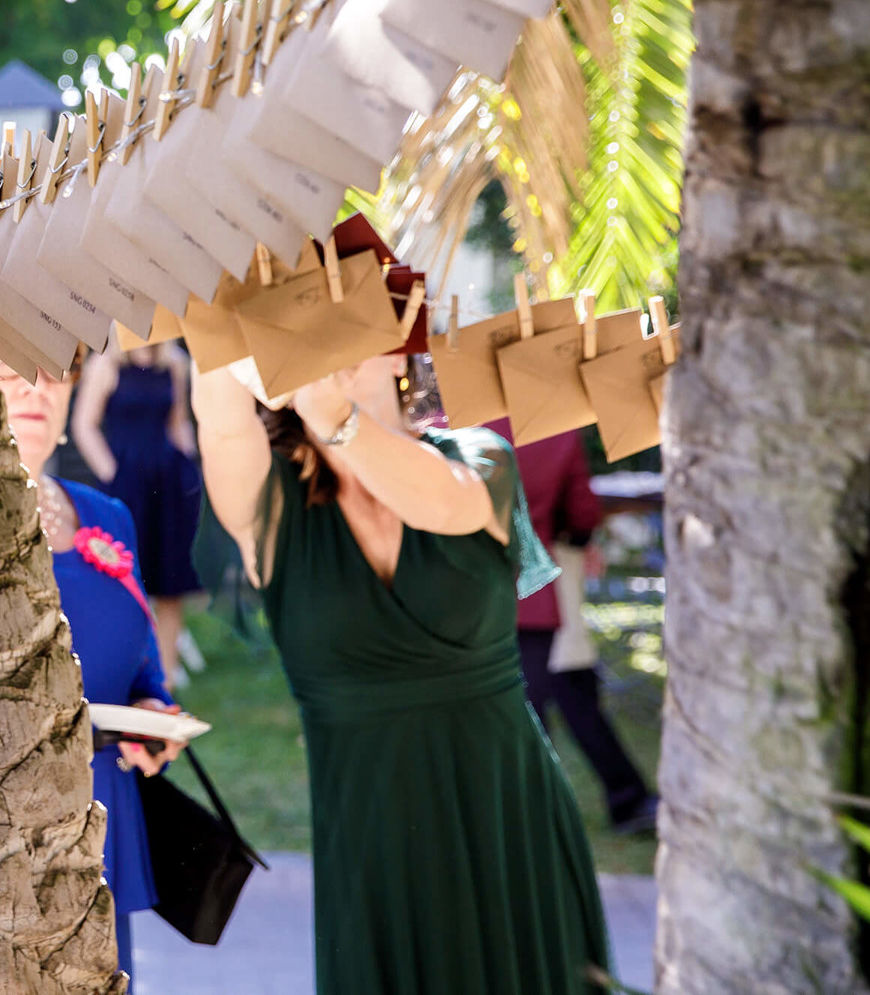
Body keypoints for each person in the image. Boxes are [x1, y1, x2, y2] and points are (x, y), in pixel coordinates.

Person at [193, 354, 611, 993]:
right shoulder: (267, 503)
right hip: (372, 839)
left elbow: (444, 504)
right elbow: (219, 417)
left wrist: (333, 413)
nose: (327, 341)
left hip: (506, 817)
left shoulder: (478, 457)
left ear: (396, 343)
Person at [0, 355, 188, 985]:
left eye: (51, 370)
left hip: (103, 815)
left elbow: (144, 670)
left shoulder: (109, 516)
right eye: (9, 370)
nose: (35, 388)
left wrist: (154, 713)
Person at [486, 420, 660, 834]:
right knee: (550, 698)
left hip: (465, 592)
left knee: (557, 692)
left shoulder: (445, 423)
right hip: (535, 589)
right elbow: (581, 513)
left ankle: (622, 798)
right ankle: (620, 799)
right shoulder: (551, 427)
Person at [69, 342, 203, 685]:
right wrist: (112, 473)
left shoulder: (175, 363)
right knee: (130, 579)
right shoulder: (106, 365)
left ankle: (168, 680)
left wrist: (191, 471)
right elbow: (84, 425)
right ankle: (133, 674)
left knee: (171, 583)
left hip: (168, 483)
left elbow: (178, 423)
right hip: (128, 486)